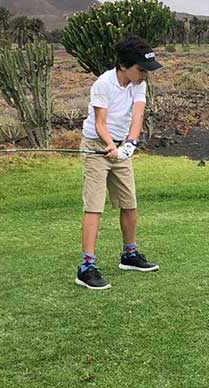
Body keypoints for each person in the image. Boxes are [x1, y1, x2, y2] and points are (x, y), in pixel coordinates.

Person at [75, 34, 162, 290]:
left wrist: (130, 145)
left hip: (121, 147)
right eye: (141, 69)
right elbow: (100, 124)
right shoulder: (103, 84)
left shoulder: (138, 84)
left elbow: (137, 117)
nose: (144, 74)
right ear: (124, 66)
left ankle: (129, 255)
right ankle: (86, 267)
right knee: (94, 206)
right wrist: (111, 146)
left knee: (129, 203)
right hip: (96, 147)